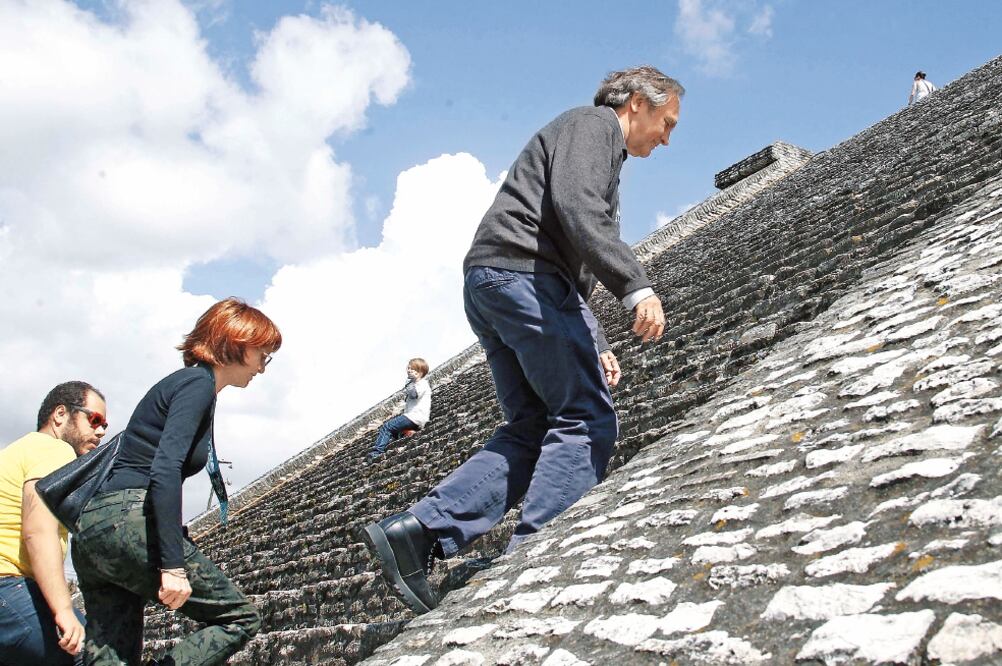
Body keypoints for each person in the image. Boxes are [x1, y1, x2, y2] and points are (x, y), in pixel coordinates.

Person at [363, 65, 682, 614]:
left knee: (534, 424)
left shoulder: (587, 139)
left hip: (497, 282)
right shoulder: (594, 127)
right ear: (636, 103)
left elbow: (575, 248)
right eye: (667, 121)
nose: (668, 137)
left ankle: (418, 533)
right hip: (524, 279)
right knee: (585, 417)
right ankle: (535, 558)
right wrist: (636, 288)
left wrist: (597, 339)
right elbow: (579, 210)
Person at [71, 298, 280, 665]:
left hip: (92, 530)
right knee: (239, 619)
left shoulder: (188, 384)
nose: (264, 366)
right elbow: (165, 468)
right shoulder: (197, 385)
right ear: (236, 341)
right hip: (127, 519)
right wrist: (173, 565)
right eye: (263, 351)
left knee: (111, 654)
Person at [0, 381, 107, 664]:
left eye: (105, 424)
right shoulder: (54, 450)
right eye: (94, 419)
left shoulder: (18, 450)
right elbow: (38, 530)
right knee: (96, 657)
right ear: (60, 415)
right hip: (8, 586)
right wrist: (63, 610)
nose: (101, 431)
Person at [369, 358, 432, 461]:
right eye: (408, 368)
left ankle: (376, 453)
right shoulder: (416, 384)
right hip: (414, 418)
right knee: (395, 431)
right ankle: (406, 432)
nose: (409, 370)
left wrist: (409, 382)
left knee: (387, 427)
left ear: (420, 372)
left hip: (414, 417)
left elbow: (413, 395)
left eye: (412, 369)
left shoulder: (422, 383)